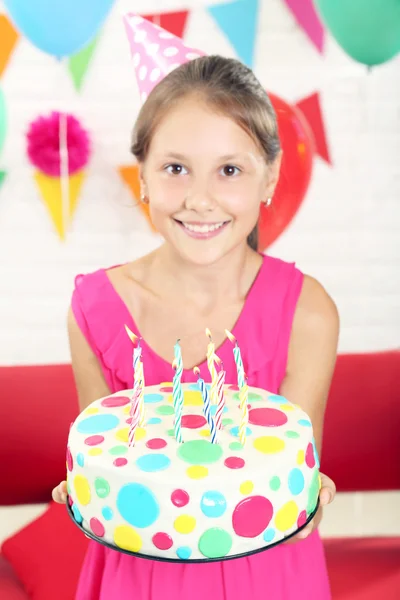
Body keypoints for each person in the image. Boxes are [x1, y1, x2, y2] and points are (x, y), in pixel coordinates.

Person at [53, 55, 338, 599]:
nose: (200, 199)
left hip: (268, 578)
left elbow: (293, 486)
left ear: (269, 178)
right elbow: (105, 458)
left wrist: (310, 497)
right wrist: (85, 488)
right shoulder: (95, 308)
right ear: (143, 178)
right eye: (175, 168)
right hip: (137, 578)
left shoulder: (307, 312)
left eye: (229, 170)